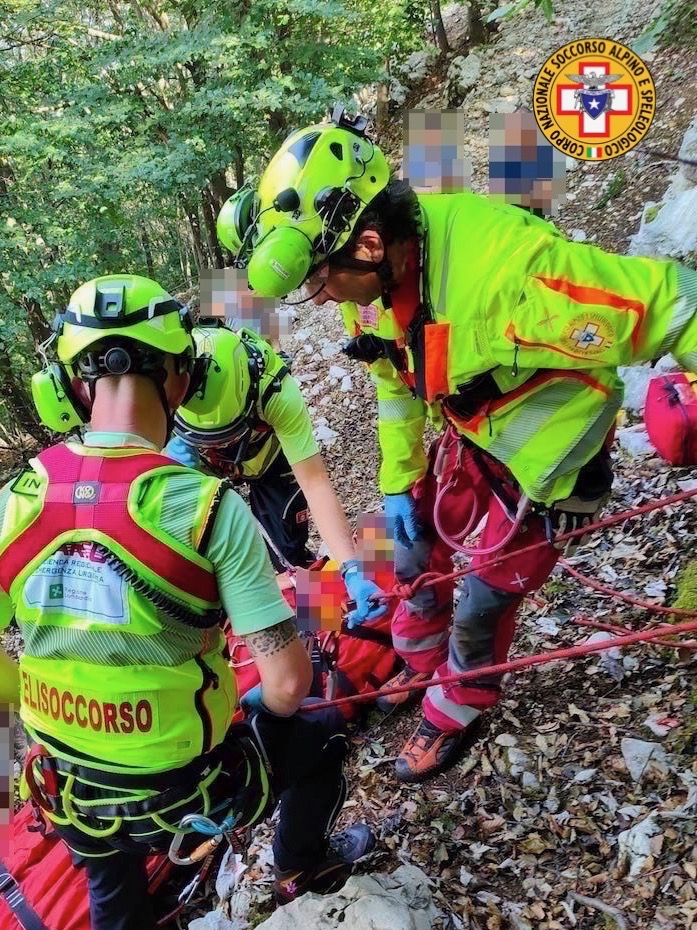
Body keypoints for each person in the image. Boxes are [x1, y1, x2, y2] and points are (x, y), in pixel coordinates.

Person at [227, 105, 697, 783]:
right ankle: (421, 666)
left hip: (547, 463)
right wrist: (397, 483)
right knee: (411, 557)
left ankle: (457, 702)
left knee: (484, 595)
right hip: (471, 440)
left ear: (365, 244)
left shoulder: (508, 274)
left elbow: (670, 303)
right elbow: (393, 383)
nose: (324, 298)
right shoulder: (380, 277)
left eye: (322, 281)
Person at [0, 273, 373, 930]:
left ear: (71, 387)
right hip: (186, 788)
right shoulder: (205, 510)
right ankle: (299, 866)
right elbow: (286, 685)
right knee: (319, 736)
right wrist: (255, 705)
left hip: (72, 789)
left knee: (110, 887)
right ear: (179, 378)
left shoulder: (14, 501)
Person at [165, 318, 387, 627]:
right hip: (202, 463)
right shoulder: (170, 388)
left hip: (271, 460)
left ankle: (322, 628)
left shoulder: (276, 391)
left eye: (229, 434)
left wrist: (352, 568)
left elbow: (314, 482)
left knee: (287, 547)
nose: (226, 441)